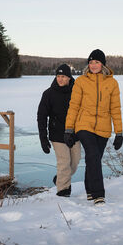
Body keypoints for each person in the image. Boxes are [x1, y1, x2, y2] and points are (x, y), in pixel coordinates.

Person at [64, 49, 123, 205]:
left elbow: (115, 109)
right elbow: (74, 106)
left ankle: (89, 189)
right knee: (93, 155)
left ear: (102, 64)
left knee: (93, 159)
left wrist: (119, 133)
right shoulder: (81, 81)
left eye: (96, 62)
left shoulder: (112, 83)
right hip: (84, 125)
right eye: (91, 62)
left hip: (103, 127)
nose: (93, 65)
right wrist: (69, 129)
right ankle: (98, 194)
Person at [37, 64, 81, 197]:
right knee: (64, 162)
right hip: (57, 135)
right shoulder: (48, 94)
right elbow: (41, 117)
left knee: (74, 163)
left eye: (63, 76)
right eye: (58, 76)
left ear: (69, 78)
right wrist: (43, 139)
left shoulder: (76, 92)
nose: (60, 79)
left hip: (74, 134)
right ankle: (63, 191)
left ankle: (59, 178)